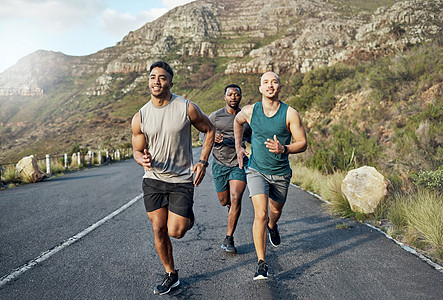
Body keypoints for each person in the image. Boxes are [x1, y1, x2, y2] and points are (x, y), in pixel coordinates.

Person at [132, 61, 215, 295]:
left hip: (180, 180)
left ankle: (186, 215)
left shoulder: (186, 108)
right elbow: (137, 149)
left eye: (161, 77)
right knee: (158, 228)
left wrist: (203, 161)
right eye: (152, 77)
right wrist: (141, 159)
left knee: (176, 231)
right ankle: (171, 274)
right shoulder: (140, 116)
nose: (156, 81)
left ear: (170, 82)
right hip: (153, 180)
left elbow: (209, 130)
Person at [234, 71, 307, 280]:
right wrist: (240, 147)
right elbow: (237, 122)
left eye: (274, 82)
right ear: (260, 88)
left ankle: (273, 227)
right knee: (260, 214)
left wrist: (284, 149)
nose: (270, 86)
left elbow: (303, 143)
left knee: (275, 212)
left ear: (279, 87)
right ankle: (261, 263)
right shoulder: (250, 111)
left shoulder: (290, 113)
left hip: (281, 173)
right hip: (256, 170)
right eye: (265, 82)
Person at [205, 84, 251, 254]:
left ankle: (229, 239)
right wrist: (212, 137)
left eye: (236, 94)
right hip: (219, 164)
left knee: (236, 197)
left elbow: (254, 136)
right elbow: (204, 133)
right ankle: (231, 209)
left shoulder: (246, 117)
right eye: (230, 94)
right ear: (224, 97)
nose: (233, 97)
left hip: (238, 163)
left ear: (240, 97)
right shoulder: (215, 116)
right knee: (225, 201)